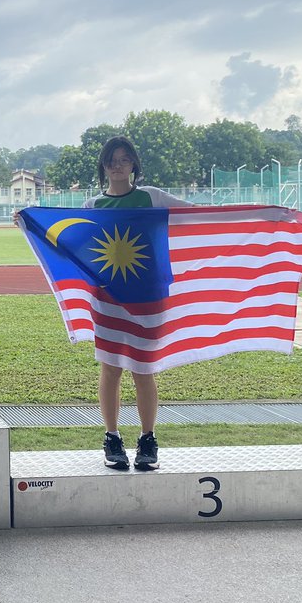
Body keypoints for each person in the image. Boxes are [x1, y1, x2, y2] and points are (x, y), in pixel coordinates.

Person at [84, 136, 193, 471]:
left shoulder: (152, 197)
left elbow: (197, 216)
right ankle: (112, 437)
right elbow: (63, 237)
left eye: (124, 159)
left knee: (143, 370)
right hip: (107, 298)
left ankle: (148, 439)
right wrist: (27, 221)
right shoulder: (91, 206)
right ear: (103, 166)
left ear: (134, 164)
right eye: (111, 160)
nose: (118, 166)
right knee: (111, 368)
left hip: (149, 298)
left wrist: (259, 215)